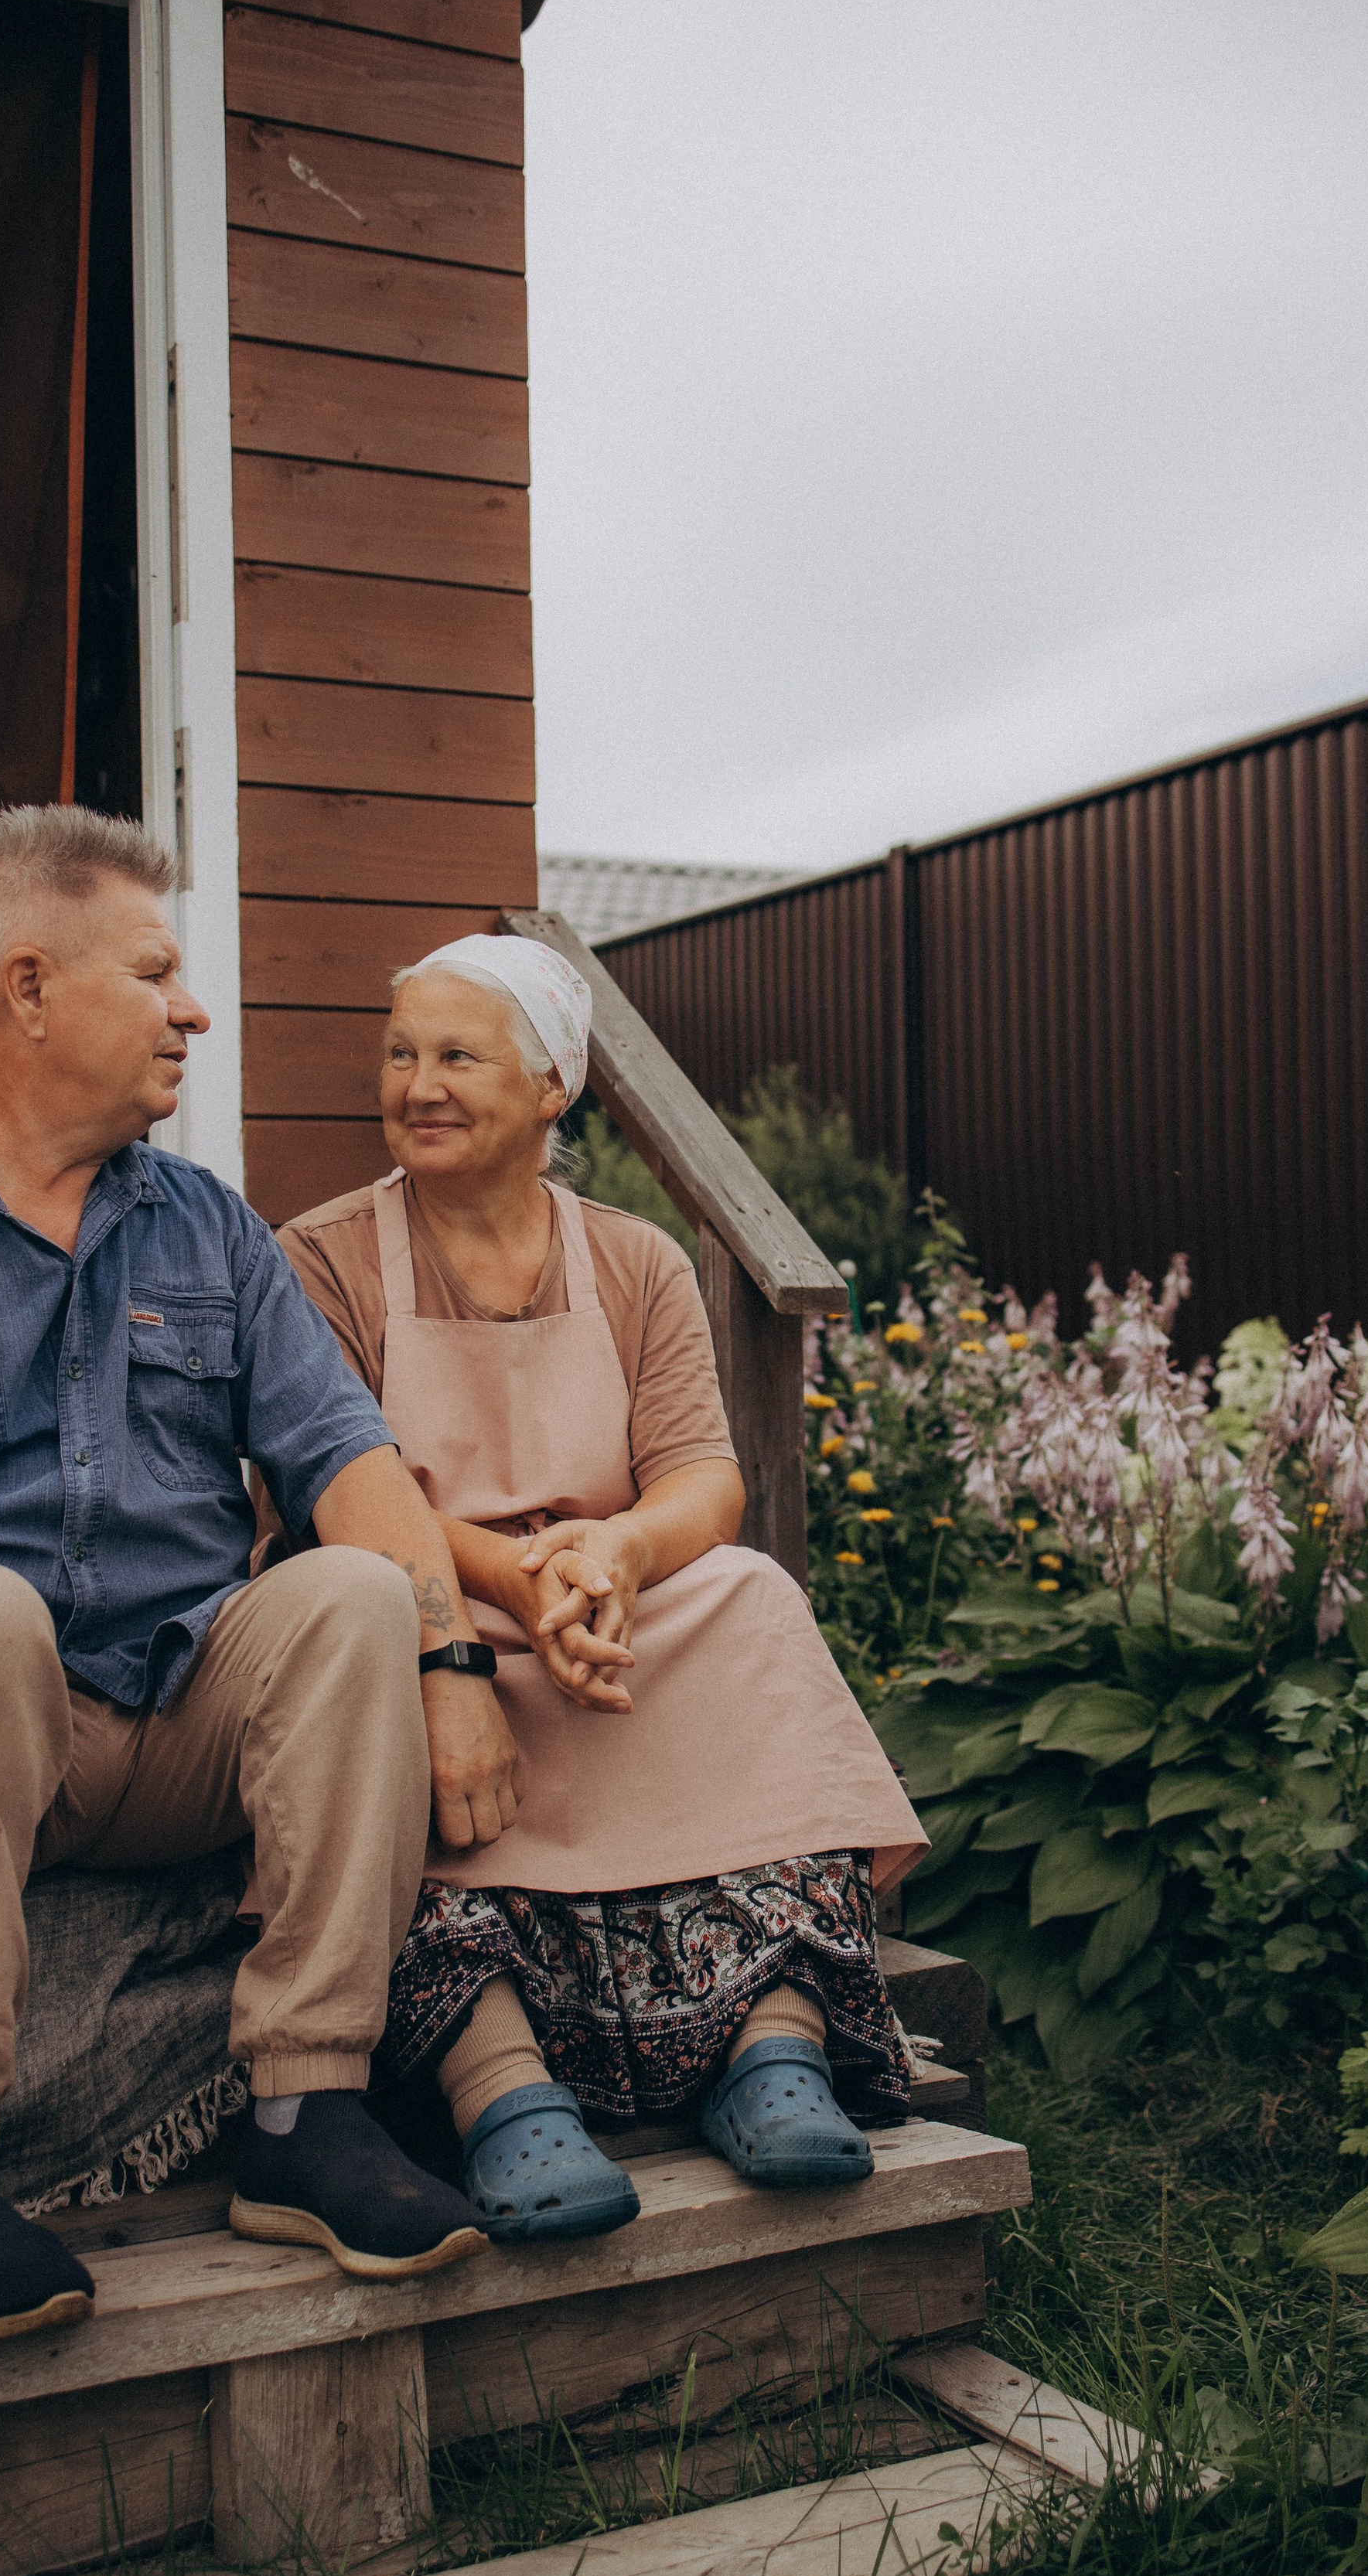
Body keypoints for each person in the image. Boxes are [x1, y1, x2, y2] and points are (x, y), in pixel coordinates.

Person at [0, 806, 524, 2346]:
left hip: (187, 1713)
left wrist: (451, 1662)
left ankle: (306, 2116)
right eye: (155, 970)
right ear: (25, 991)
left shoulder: (207, 1230)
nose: (192, 1008)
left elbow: (351, 1469)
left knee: (349, 1594)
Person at [273, 935, 926, 2247]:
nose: (419, 1086)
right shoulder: (322, 1259)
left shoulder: (638, 1262)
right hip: (432, 1615)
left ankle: (777, 2057)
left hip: (600, 1615)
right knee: (353, 1624)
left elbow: (702, 1480)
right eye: (402, 1054)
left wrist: (614, 1557)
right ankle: (502, 2096)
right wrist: (513, 1574)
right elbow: (335, 1491)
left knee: (748, 1598)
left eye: (459, 1056)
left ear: (552, 1085)